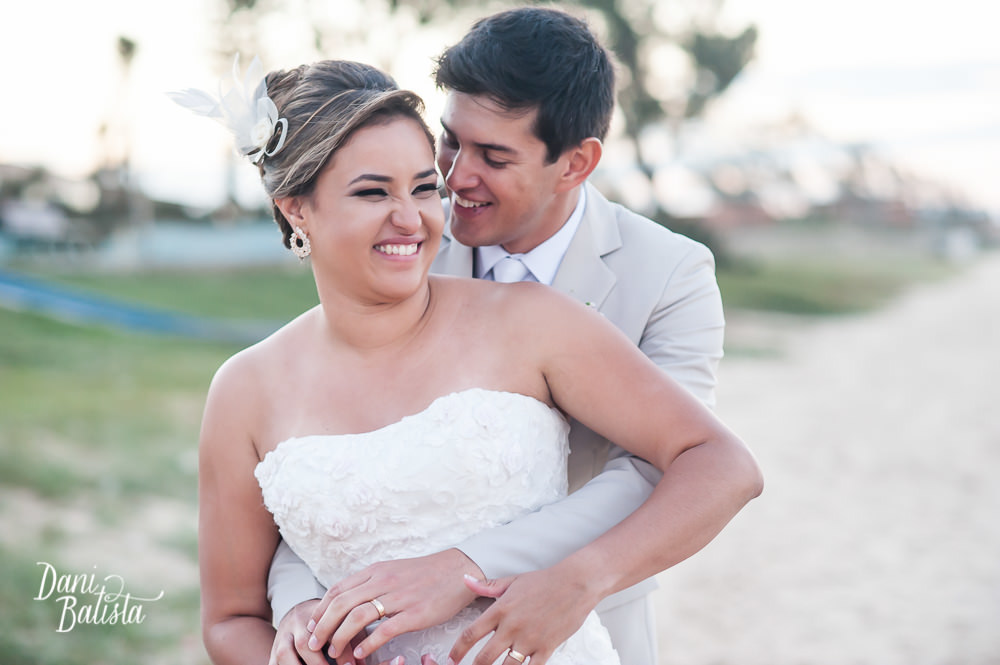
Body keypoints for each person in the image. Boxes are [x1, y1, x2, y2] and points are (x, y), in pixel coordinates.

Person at [183, 49, 760, 665]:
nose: (415, 216)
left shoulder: (537, 319)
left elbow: (714, 463)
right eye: (373, 192)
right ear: (295, 207)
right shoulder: (245, 390)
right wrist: (295, 631)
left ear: (576, 163)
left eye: (422, 187)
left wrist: (571, 579)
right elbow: (234, 614)